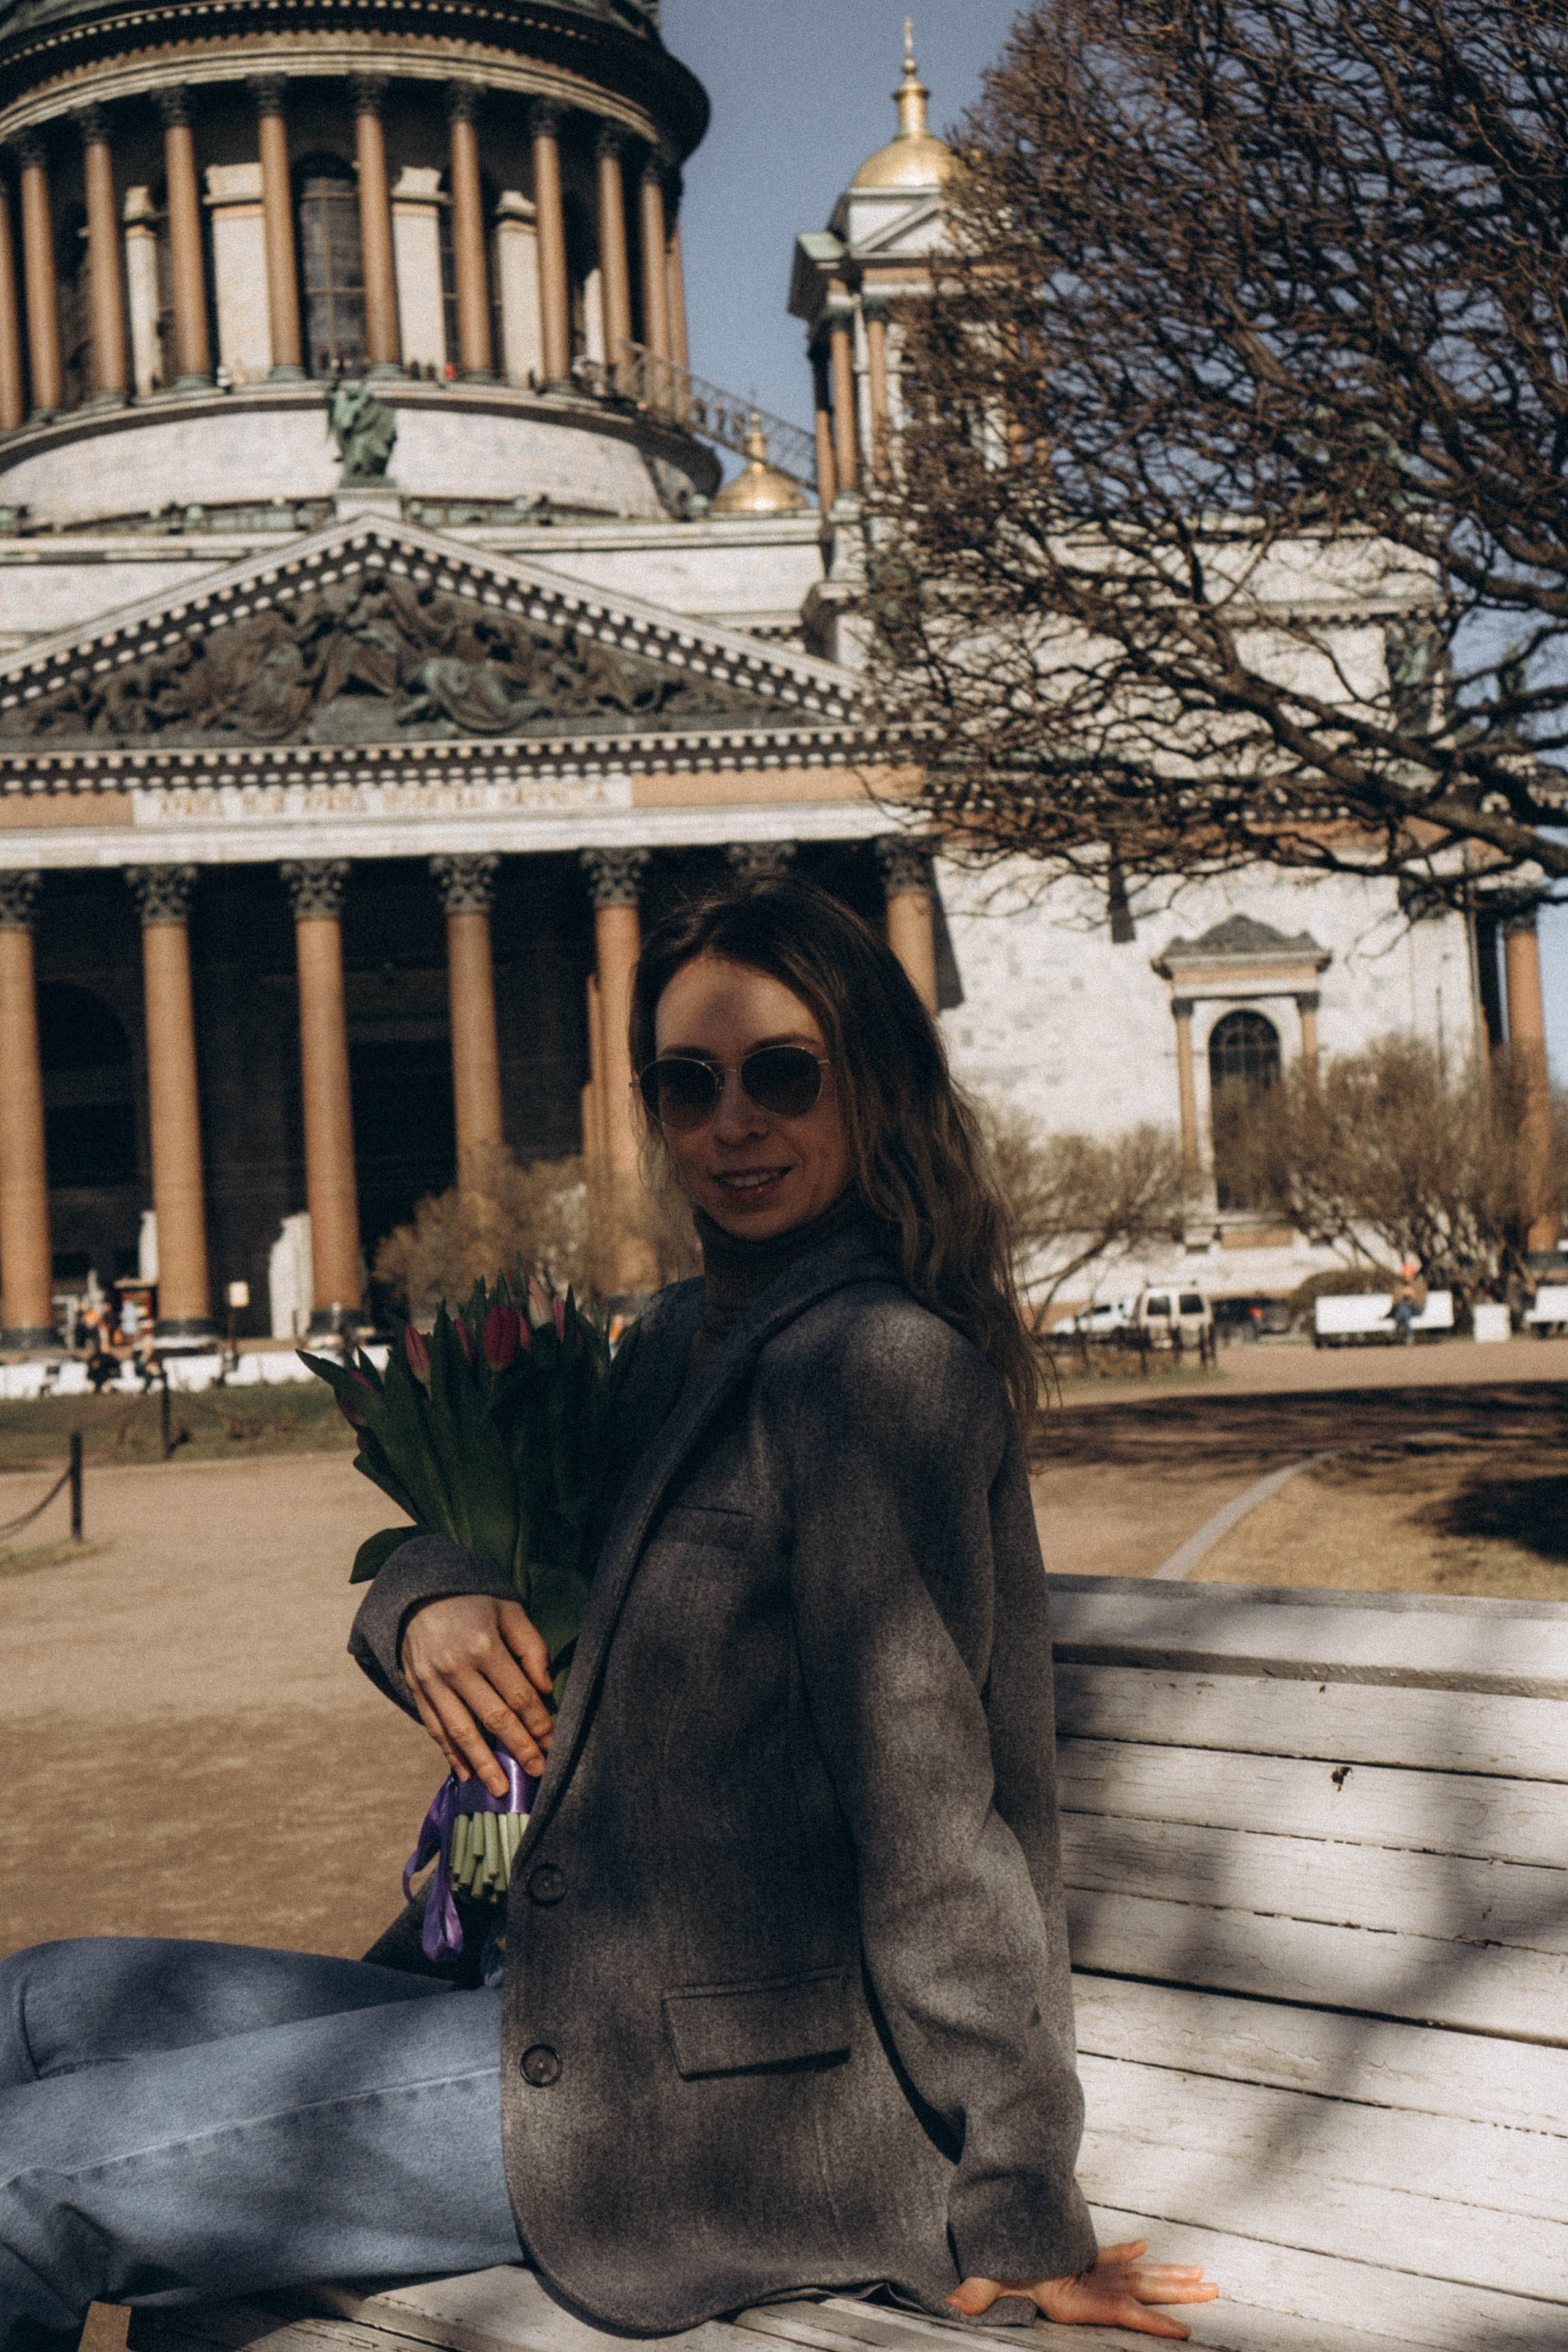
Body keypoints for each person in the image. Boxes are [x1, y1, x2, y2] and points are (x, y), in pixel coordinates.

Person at [0, 879, 1216, 2349]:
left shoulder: (875, 1373)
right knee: (38, 2004)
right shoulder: (664, 1350)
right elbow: (491, 1540)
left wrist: (1020, 2197)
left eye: (781, 1074)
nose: (731, 1123)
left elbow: (939, 1821)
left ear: (878, 1085)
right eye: (685, 1083)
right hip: (560, 2014)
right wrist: (423, 1597)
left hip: (725, 2117)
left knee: (24, 2185)